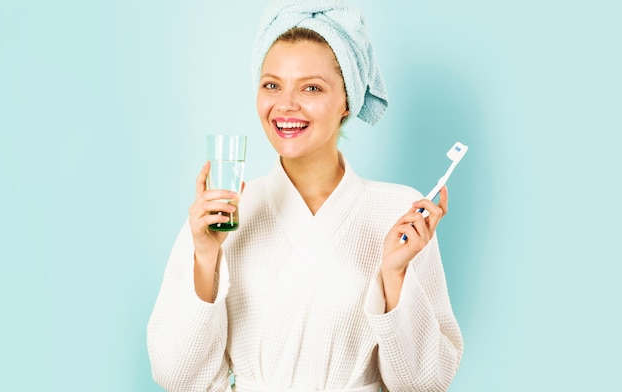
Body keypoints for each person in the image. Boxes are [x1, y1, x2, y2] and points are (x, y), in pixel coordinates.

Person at [147, 1, 464, 391]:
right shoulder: (222, 213)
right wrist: (205, 255)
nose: (286, 105)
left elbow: (424, 384)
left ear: (347, 101)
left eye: (311, 87)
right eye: (271, 85)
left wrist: (394, 275)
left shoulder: (398, 214)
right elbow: (177, 378)